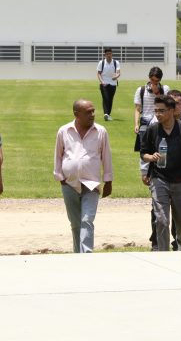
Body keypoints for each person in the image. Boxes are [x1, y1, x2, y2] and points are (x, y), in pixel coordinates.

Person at [144, 90, 181, 250]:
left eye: (161, 110)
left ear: (171, 110)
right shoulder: (153, 130)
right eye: (156, 110)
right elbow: (144, 152)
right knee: (162, 219)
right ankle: (164, 253)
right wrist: (150, 158)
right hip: (159, 179)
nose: (158, 114)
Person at [53, 99, 113, 253]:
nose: (92, 115)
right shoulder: (64, 131)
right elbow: (58, 155)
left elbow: (106, 156)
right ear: (76, 114)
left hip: (91, 184)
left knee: (87, 220)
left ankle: (86, 255)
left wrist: (108, 181)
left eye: (93, 111)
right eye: (88, 112)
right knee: (75, 224)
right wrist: (60, 177)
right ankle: (77, 255)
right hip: (69, 184)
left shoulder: (100, 131)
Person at [134, 67, 169, 152]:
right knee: (144, 151)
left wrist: (157, 93)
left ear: (160, 80)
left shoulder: (165, 89)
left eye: (156, 81)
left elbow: (167, 106)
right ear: (149, 78)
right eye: (152, 80)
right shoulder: (141, 90)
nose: (154, 82)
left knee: (160, 150)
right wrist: (136, 124)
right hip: (145, 123)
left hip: (161, 122)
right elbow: (137, 109)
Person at [96, 47, 120, 121]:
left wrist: (116, 76)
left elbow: (118, 72)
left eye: (110, 53)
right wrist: (102, 82)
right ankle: (106, 114)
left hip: (113, 84)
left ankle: (108, 115)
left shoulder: (116, 62)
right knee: (105, 98)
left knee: (110, 99)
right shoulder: (101, 63)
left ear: (112, 54)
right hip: (104, 84)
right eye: (107, 54)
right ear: (105, 55)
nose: (109, 55)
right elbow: (99, 73)